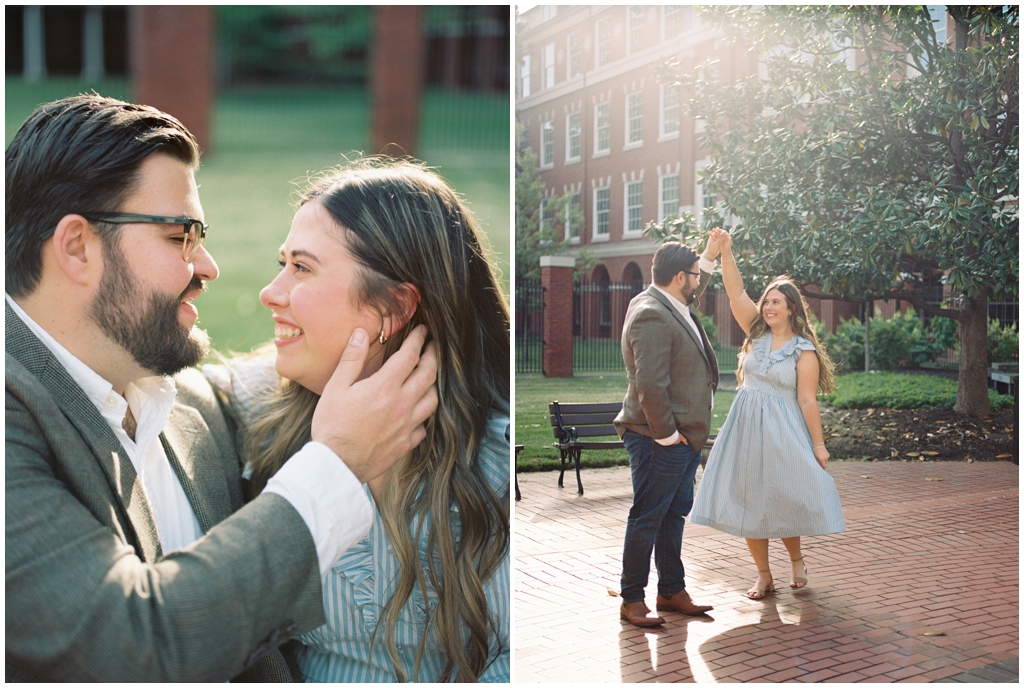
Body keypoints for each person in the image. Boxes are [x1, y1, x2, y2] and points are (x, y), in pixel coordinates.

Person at [5, 95, 438, 682]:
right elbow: (123, 647)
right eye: (179, 237)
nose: (207, 266)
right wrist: (337, 464)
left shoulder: (187, 404)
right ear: (78, 247)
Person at [205, 158, 510, 681]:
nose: (270, 292)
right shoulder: (254, 408)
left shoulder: (498, 461)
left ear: (393, 307)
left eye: (301, 268)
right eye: (284, 263)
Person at [690, 228, 845, 599]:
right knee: (748, 500)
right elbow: (735, 292)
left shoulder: (802, 350)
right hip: (744, 427)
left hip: (783, 430)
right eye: (767, 301)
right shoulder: (755, 332)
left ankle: (795, 560)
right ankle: (763, 574)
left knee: (783, 496)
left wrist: (819, 446)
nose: (769, 307)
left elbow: (807, 400)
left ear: (792, 308)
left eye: (777, 302)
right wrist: (725, 252)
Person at [613, 239, 721, 627]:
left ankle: (671, 591)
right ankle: (631, 599)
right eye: (694, 275)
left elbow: (695, 283)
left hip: (683, 438)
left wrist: (708, 255)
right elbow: (651, 385)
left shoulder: (672, 301)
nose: (699, 283)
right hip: (658, 438)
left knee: (673, 515)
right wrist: (667, 437)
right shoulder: (651, 314)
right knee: (647, 516)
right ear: (679, 278)